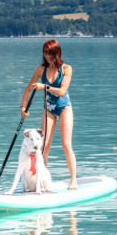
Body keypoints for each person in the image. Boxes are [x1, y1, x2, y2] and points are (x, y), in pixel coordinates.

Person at [20, 38, 77, 189]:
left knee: (66, 145)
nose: (47, 56)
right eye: (45, 53)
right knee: (43, 146)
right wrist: (23, 107)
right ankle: (42, 179)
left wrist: (44, 87)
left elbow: (62, 91)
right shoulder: (40, 70)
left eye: (50, 53)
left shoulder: (66, 69)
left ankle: (73, 180)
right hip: (49, 110)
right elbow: (28, 88)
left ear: (57, 53)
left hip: (65, 108)